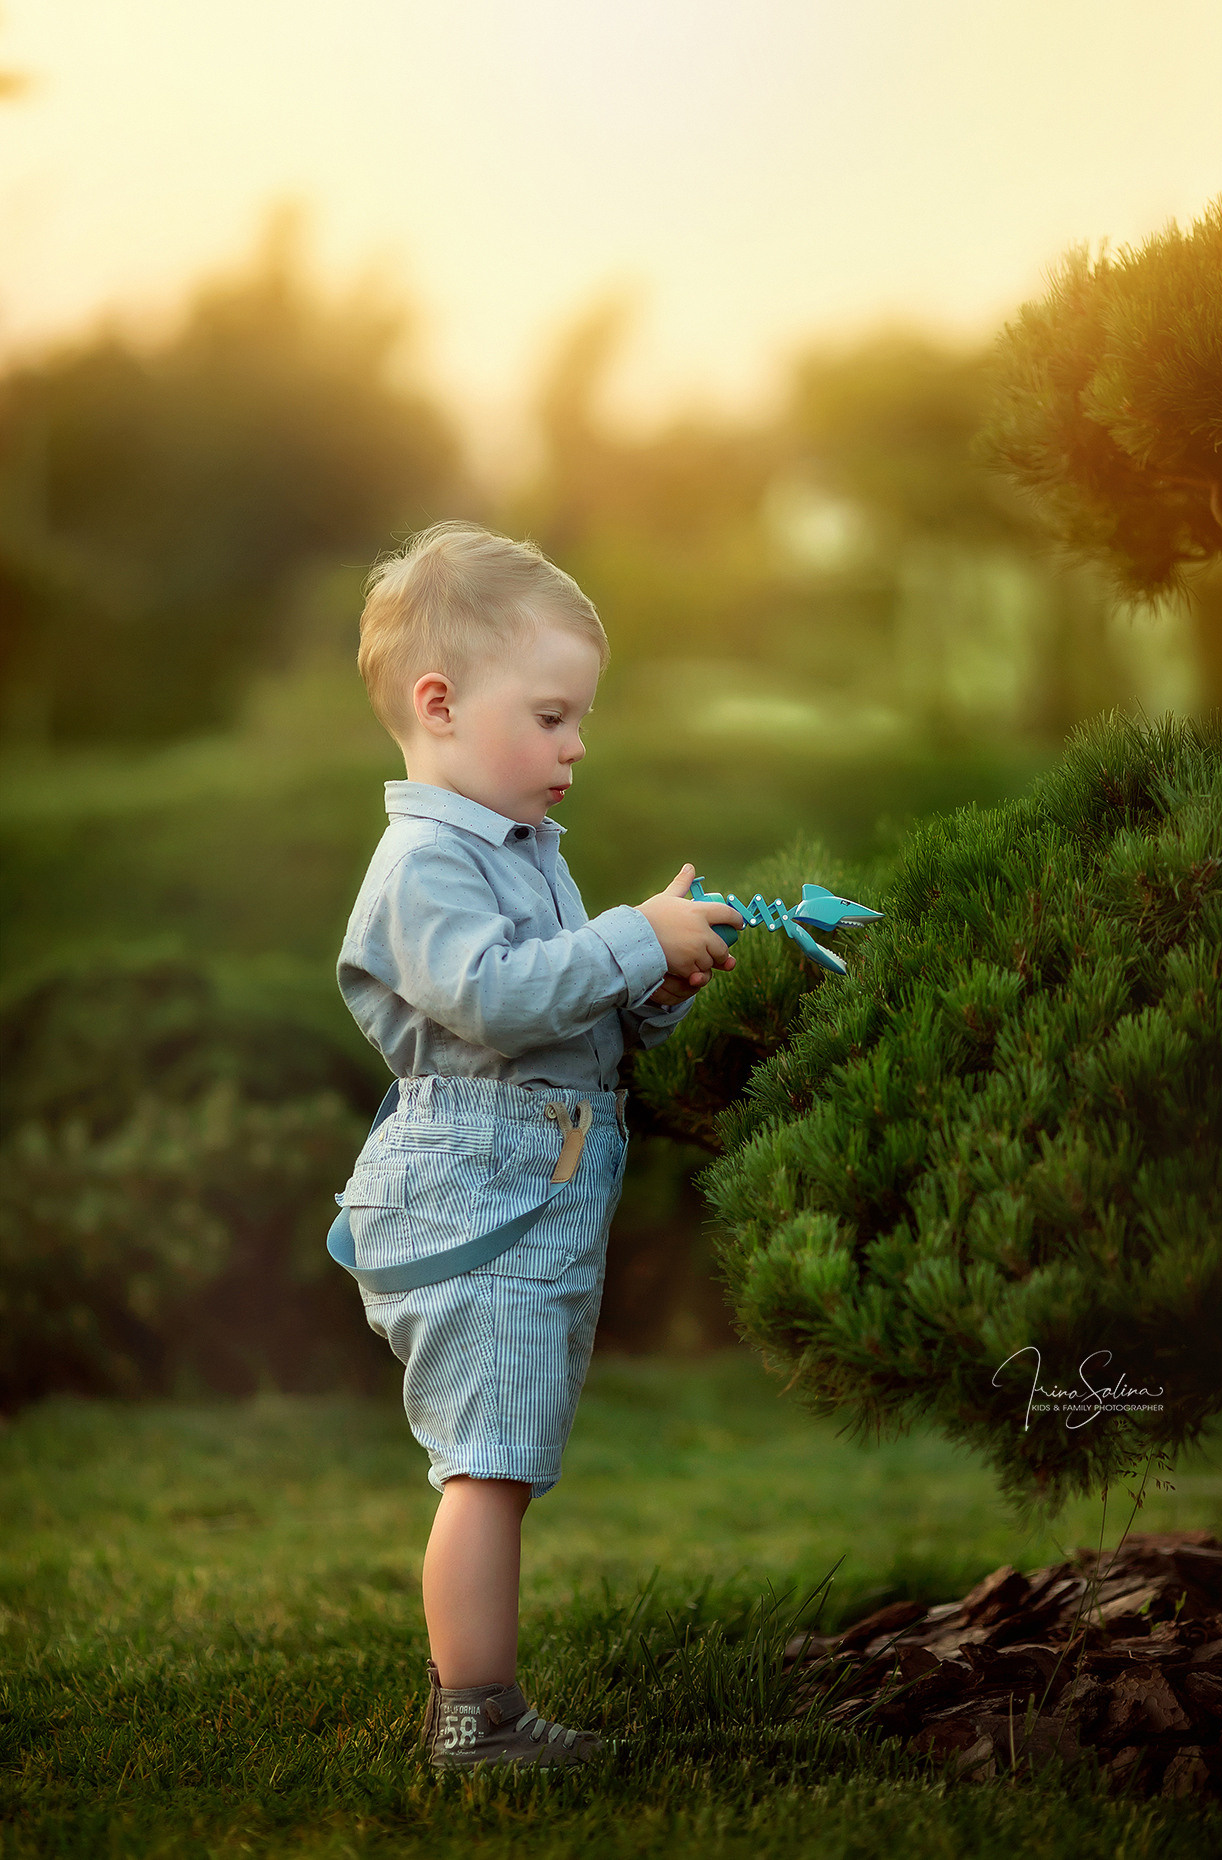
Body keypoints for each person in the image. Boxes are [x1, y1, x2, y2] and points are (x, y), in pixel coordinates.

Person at [335, 521, 743, 1769]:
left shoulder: (515, 854)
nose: (577, 748)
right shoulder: (425, 864)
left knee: (503, 1458)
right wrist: (633, 931)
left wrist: (655, 988)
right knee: (488, 1467)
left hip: (526, 1195)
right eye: (554, 716)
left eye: (579, 722)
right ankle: (476, 1718)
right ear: (441, 704)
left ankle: (483, 1704)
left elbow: (559, 1020)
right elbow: (497, 1001)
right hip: (478, 1207)